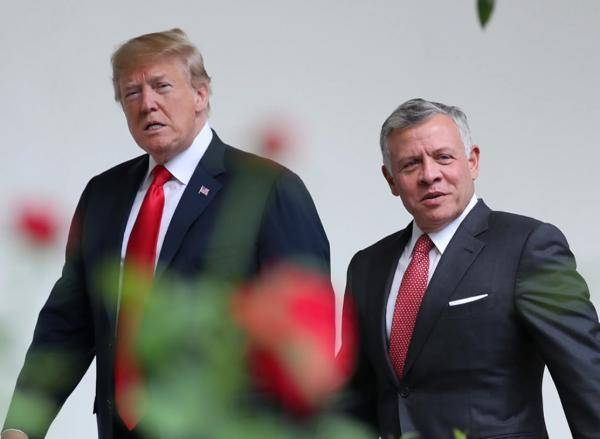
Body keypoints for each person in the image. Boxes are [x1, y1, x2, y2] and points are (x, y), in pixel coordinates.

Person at [2, 29, 330, 439]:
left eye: (161, 86)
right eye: (131, 93)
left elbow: (306, 336)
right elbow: (68, 322)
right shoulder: (104, 195)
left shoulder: (266, 188)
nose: (147, 104)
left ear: (200, 94)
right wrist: (21, 425)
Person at [341, 98, 600, 438]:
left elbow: (586, 376)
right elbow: (355, 399)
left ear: (472, 161)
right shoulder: (367, 267)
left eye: (443, 157)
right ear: (391, 180)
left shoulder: (527, 247)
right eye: (410, 164)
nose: (429, 175)